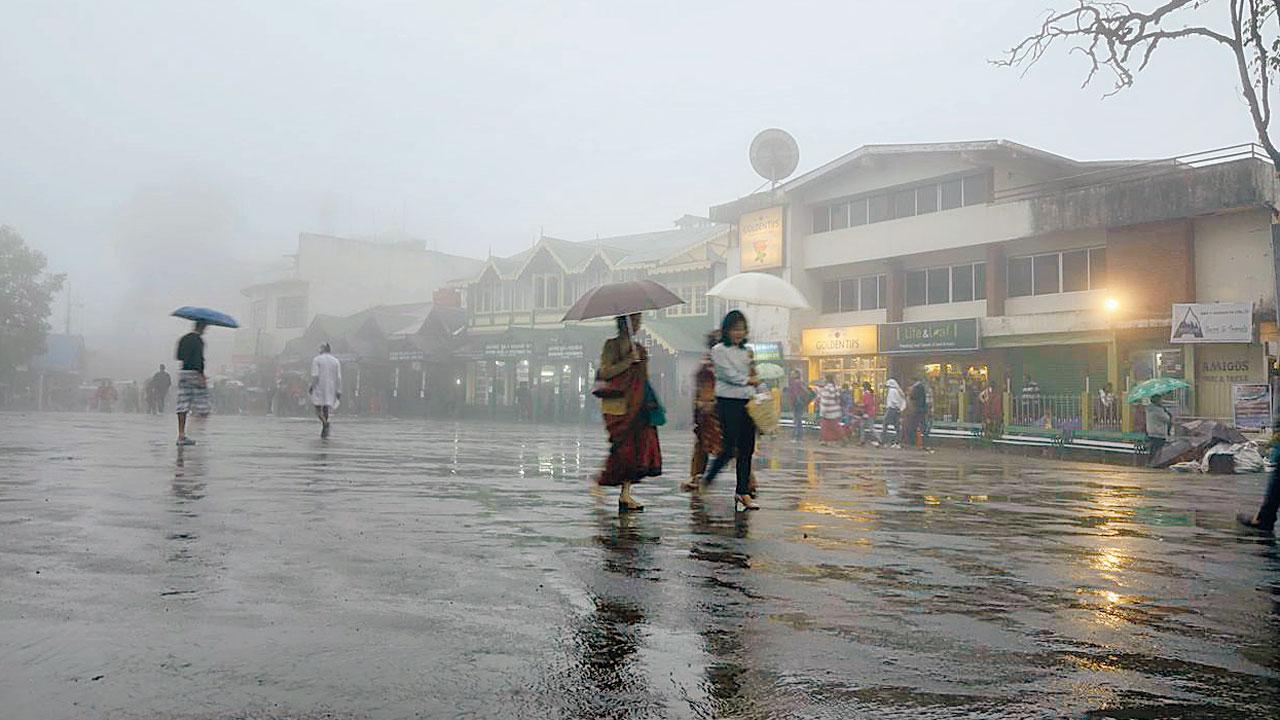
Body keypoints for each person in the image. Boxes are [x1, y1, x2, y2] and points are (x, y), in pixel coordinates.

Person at [596, 313, 662, 513]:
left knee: (636, 450)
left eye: (639, 321)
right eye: (633, 320)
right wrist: (627, 361)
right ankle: (600, 481)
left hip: (638, 404)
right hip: (617, 406)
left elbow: (643, 380)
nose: (637, 324)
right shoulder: (611, 346)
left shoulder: (640, 349)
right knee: (621, 448)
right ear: (623, 323)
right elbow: (605, 372)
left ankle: (625, 493)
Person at [701, 310, 760, 512]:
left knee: (747, 448)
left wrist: (759, 389)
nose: (739, 333)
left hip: (747, 402)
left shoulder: (746, 352)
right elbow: (727, 374)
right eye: (735, 329)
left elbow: (753, 375)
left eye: (742, 329)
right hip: (727, 402)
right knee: (729, 447)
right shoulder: (719, 350)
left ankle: (742, 491)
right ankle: (707, 479)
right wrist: (747, 380)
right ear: (727, 330)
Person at [174, 321, 210, 446]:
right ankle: (192, 427)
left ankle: (181, 434)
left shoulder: (183, 339)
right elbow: (198, 359)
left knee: (182, 403)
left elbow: (178, 356)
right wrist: (201, 375)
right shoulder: (199, 340)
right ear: (202, 327)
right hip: (194, 373)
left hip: (183, 372)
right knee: (203, 404)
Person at [310, 343, 342, 438]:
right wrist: (339, 390)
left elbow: (315, 375)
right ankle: (325, 427)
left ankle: (325, 423)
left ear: (322, 349)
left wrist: (312, 386)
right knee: (326, 407)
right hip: (331, 387)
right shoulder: (336, 361)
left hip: (319, 386)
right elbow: (339, 377)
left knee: (317, 409)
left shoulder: (317, 359)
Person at [1144, 393, 1173, 466]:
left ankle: (1150, 462)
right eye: (1160, 399)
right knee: (1158, 449)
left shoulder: (1149, 408)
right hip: (1159, 433)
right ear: (1157, 400)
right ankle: (1155, 463)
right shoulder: (1158, 410)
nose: (1162, 401)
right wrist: (1164, 410)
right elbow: (1167, 419)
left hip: (1151, 432)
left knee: (1153, 449)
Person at [903, 377, 930, 450]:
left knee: (914, 425)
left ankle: (914, 442)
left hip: (917, 410)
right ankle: (922, 442)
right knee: (921, 425)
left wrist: (909, 393)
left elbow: (912, 397)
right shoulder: (921, 387)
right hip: (921, 410)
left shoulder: (917, 387)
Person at [817, 376, 846, 443]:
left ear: (826, 380)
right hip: (835, 411)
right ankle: (831, 439)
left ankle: (825, 440)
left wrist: (823, 411)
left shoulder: (826, 389)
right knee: (834, 426)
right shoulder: (835, 388)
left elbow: (825, 401)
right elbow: (838, 400)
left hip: (828, 411)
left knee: (825, 426)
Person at [785, 370, 812, 440]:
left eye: (792, 373)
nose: (791, 375)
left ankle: (797, 436)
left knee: (797, 420)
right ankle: (798, 435)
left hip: (797, 403)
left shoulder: (796, 382)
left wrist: (798, 399)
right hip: (798, 403)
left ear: (796, 374)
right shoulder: (799, 382)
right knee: (797, 419)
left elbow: (796, 393)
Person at [880, 379, 907, 447]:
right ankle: (898, 441)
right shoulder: (898, 391)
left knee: (885, 423)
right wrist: (900, 408)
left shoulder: (892, 391)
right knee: (897, 426)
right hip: (897, 410)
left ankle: (882, 441)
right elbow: (902, 401)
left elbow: (893, 401)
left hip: (891, 409)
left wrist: (889, 406)